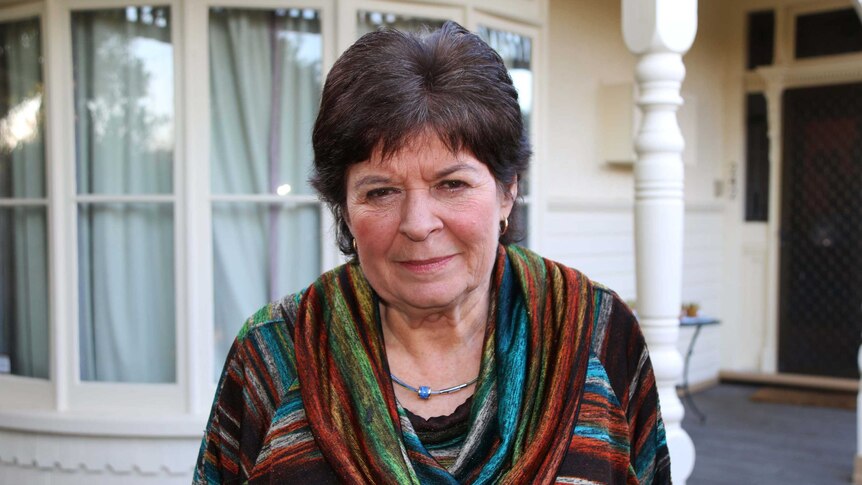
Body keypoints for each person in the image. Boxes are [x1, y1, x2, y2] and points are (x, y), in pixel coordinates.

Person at [194, 21, 670, 484]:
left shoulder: (597, 332)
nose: (418, 224)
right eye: (380, 192)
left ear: (507, 192)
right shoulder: (276, 353)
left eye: (452, 184)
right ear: (343, 208)